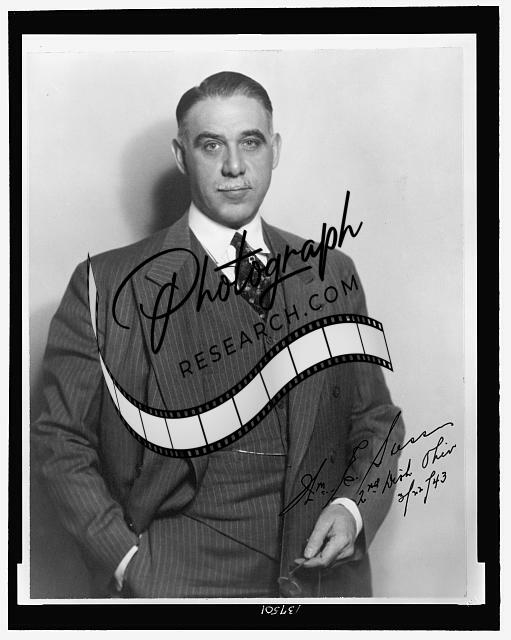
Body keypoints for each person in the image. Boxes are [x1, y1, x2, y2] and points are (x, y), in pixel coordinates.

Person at [32, 71, 405, 598]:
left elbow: (376, 419)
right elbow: (60, 439)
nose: (234, 166)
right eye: (211, 145)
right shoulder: (104, 284)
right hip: (173, 582)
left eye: (250, 142)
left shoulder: (330, 273)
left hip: (315, 581)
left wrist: (352, 508)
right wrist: (126, 562)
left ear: (274, 150)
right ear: (181, 155)